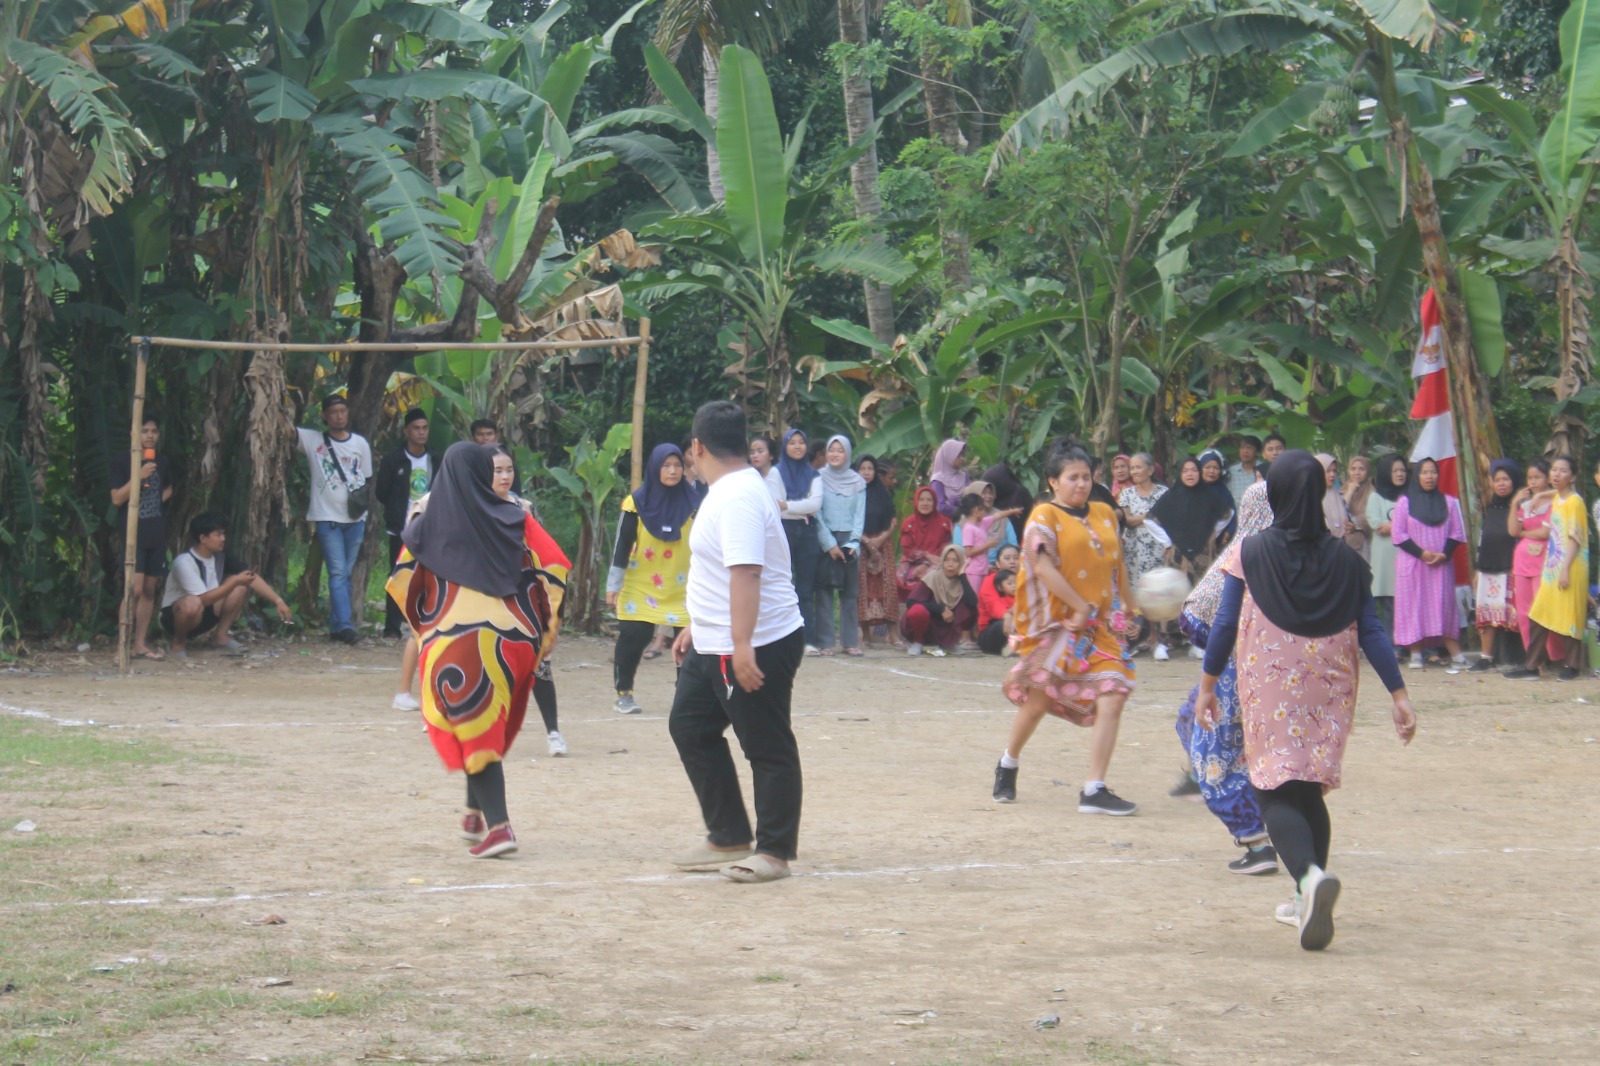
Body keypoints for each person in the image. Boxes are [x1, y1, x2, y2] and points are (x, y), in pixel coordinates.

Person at [1195, 450, 1415, 952]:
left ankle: (1309, 880)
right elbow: (1372, 630)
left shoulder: (1250, 551)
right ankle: (1304, 895)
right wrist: (1399, 695)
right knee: (1309, 786)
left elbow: (1227, 622)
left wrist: (1208, 684)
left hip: (1272, 677)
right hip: (1331, 681)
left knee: (1272, 786)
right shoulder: (1347, 558)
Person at [387, 442, 569, 859]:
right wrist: (547, 624)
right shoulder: (515, 516)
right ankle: (474, 811)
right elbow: (554, 564)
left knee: (473, 724)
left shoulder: (427, 522)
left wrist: (427, 625)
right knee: (483, 725)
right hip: (516, 643)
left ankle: (500, 827)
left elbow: (401, 579)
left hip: (460, 643)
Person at [666, 401, 806, 884]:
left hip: (754, 641)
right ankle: (726, 833)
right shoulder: (726, 491)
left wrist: (742, 645)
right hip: (715, 639)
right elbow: (716, 569)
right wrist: (695, 624)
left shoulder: (740, 496)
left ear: (697, 447)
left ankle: (774, 851)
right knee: (690, 727)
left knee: (766, 746)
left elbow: (747, 572)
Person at [993, 439, 1138, 815]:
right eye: (1072, 478)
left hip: (1101, 627)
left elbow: (1115, 564)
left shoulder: (1106, 513)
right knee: (1038, 702)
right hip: (1056, 625)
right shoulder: (1044, 516)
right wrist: (1078, 605)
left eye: (1086, 477)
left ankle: (1094, 789)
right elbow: (1041, 567)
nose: (1081, 484)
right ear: (1053, 482)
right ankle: (1008, 763)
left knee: (1113, 693)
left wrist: (1130, 605)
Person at [1172, 479, 1278, 874]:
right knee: (1189, 721)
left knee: (1216, 755)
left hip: (1237, 676)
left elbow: (1197, 619)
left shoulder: (1244, 552)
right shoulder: (1308, 552)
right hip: (1289, 678)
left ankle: (1257, 840)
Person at [607, 443, 697, 714]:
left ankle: (686, 696)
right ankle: (624, 693)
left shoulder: (695, 502)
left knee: (690, 644)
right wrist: (613, 585)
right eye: (666, 466)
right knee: (634, 637)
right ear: (654, 468)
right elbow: (622, 546)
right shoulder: (635, 503)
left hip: (683, 585)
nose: (672, 471)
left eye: (677, 466)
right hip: (641, 583)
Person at [161, 511, 293, 659]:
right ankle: (177, 645)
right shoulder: (184, 562)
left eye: (223, 534)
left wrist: (278, 601)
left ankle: (221, 637)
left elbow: (251, 577)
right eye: (218, 535)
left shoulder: (221, 556)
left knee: (240, 587)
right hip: (177, 618)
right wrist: (234, 581)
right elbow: (203, 599)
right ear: (203, 538)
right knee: (193, 602)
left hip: (206, 613)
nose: (223, 539)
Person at [296, 393, 372, 644]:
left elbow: (366, 479)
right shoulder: (312, 440)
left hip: (355, 518)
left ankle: (338, 625)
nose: (339, 416)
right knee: (338, 572)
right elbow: (286, 430)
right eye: (333, 412)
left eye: (342, 411)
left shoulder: (360, 443)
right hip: (327, 517)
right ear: (325, 416)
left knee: (345, 574)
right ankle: (346, 626)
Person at [1506, 456, 1589, 681]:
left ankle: (1572, 666)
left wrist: (1565, 570)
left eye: (1563, 471)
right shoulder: (1559, 499)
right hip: (1553, 565)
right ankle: (1532, 666)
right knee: (1539, 613)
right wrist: (1542, 494)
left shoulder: (1575, 502)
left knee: (1570, 614)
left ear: (1572, 477)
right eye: (1554, 470)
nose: (1556, 474)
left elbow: (1575, 537)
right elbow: (1558, 495)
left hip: (1570, 566)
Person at [1390, 457, 1467, 670]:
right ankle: (1415, 653)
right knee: (1414, 607)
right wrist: (1422, 553)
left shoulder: (1449, 503)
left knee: (1443, 608)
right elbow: (1398, 535)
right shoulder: (1405, 502)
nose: (1429, 476)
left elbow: (1457, 533)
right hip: (1413, 566)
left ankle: (1457, 654)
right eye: (1424, 472)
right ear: (1417, 476)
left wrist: (1444, 554)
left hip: (1440, 566)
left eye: (1433, 472)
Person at [109, 414, 175, 660]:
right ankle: (121, 646)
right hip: (132, 534)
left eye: (153, 431)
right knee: (133, 589)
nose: (149, 435)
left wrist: (158, 499)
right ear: (134, 433)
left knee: (149, 588)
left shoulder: (163, 461)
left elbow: (168, 486)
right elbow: (116, 498)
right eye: (144, 430)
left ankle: (139, 644)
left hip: (155, 532)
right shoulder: (123, 460)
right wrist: (139, 476)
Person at [375, 408, 438, 639]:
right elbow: (381, 492)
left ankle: (426, 624)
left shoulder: (435, 459)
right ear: (406, 432)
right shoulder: (393, 460)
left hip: (430, 530)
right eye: (416, 428)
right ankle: (392, 627)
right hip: (400, 529)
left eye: (424, 428)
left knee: (428, 577)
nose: (421, 433)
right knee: (398, 576)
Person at [814, 434, 867, 657]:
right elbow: (816, 513)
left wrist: (853, 542)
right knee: (824, 593)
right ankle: (826, 642)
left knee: (850, 592)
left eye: (840, 450)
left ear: (847, 454)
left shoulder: (858, 481)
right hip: (825, 540)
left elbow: (859, 516)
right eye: (831, 450)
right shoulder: (818, 478)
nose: (835, 454)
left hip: (850, 542)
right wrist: (829, 544)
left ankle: (849, 642)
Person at [1468, 459, 1522, 671]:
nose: (1501, 484)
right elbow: (1484, 540)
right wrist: (1478, 570)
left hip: (1511, 569)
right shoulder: (1491, 507)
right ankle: (1486, 658)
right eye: (1497, 479)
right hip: (1488, 569)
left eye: (1506, 479)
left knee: (1514, 614)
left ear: (1514, 480)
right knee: (1486, 612)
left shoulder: (1521, 507)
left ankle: (1524, 659)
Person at [1118, 453, 1170, 658]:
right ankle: (1144, 636)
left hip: (1158, 547)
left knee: (1157, 592)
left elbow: (1165, 519)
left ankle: (1159, 637)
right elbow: (1128, 521)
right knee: (1138, 592)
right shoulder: (1126, 494)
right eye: (1132, 468)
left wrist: (1145, 518)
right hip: (1134, 549)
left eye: (1139, 467)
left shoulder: (1163, 492)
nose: (1134, 471)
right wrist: (1149, 516)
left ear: (1150, 469)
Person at [776, 429, 823, 651]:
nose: (797, 446)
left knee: (806, 589)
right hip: (783, 531)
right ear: (785, 446)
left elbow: (815, 505)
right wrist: (799, 509)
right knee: (782, 585)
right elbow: (777, 507)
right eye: (792, 442)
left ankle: (808, 639)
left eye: (801, 442)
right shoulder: (776, 473)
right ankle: (780, 639)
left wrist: (789, 506)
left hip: (808, 533)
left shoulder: (814, 475)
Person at [1150, 457, 1232, 578]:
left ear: (1199, 472)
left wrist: (1212, 532)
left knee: (1202, 591)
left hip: (1204, 554)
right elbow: (1149, 520)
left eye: (1194, 470)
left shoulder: (1208, 495)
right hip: (1177, 553)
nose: (1190, 474)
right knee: (1178, 592)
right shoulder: (1172, 496)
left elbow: (1228, 514)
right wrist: (1166, 542)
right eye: (1185, 471)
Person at [1508, 460, 1553, 657]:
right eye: (1530, 477)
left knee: (1543, 610)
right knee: (1525, 613)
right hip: (1522, 562)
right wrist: (1513, 503)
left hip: (1544, 562)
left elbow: (1544, 533)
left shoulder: (1554, 502)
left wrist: (1524, 532)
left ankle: (1553, 654)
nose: (1533, 481)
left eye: (1538, 477)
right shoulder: (1525, 506)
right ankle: (1535, 660)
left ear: (1547, 479)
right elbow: (1512, 531)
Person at [901, 544, 978, 657]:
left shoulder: (961, 582)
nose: (950, 564)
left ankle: (949, 643)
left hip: (945, 626)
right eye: (946, 560)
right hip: (926, 626)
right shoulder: (933, 577)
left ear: (961, 563)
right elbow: (910, 602)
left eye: (955, 561)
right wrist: (941, 608)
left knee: (970, 608)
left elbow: (972, 603)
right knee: (917, 610)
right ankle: (918, 642)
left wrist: (962, 575)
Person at [856, 454, 899, 647]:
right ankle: (866, 635)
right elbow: (849, 520)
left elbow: (892, 520)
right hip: (861, 546)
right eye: (862, 469)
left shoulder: (883, 493)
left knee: (888, 589)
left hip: (884, 545)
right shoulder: (852, 493)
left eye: (870, 469)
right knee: (863, 591)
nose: (866, 473)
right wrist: (866, 541)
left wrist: (880, 539)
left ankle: (893, 634)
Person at [1367, 455, 1408, 634]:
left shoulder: (1412, 496)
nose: (1400, 474)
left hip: (1408, 557)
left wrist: (1392, 525)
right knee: (1389, 604)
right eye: (1395, 471)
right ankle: (1394, 646)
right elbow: (1377, 525)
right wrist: (1404, 525)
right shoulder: (1376, 498)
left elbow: (1417, 522)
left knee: (1408, 601)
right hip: (1385, 560)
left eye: (1402, 470)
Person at [896, 485, 953, 607]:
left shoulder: (944, 523)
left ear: (934, 502)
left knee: (931, 577)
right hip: (911, 561)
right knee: (897, 578)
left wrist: (926, 564)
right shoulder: (908, 523)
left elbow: (943, 549)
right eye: (921, 499)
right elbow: (908, 550)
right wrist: (926, 556)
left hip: (935, 563)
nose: (925, 503)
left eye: (929, 499)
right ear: (916, 501)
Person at [982, 460, 1035, 541]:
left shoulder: (1020, 493)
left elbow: (1031, 515)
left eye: (990, 490)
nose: (988, 495)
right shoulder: (992, 501)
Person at [1199, 449, 1237, 544]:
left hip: (1216, 542)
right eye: (1207, 467)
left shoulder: (1223, 491)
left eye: (1216, 468)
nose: (1211, 471)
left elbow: (1232, 514)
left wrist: (1228, 532)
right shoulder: (1192, 488)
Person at [977, 567, 1017, 656]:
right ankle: (1008, 647)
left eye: (1015, 558)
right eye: (1009, 583)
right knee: (1004, 624)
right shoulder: (990, 582)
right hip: (991, 632)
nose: (1012, 562)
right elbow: (993, 606)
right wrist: (1009, 614)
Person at [929, 438, 970, 520]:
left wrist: (954, 503)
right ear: (949, 455)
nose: (962, 459)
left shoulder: (964, 476)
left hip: (966, 523)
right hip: (945, 524)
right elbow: (940, 507)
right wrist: (959, 510)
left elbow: (970, 500)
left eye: (962, 455)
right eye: (958, 455)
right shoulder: (938, 480)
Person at [1341, 455, 1373, 560]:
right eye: (1353, 469)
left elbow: (1371, 516)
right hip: (1342, 542)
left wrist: (1354, 523)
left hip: (1363, 543)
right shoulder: (1343, 489)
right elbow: (1339, 510)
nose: (1357, 472)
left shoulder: (1371, 492)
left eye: (1361, 469)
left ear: (1367, 472)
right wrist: (1350, 491)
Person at [1316, 454, 1352, 541]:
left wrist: (1350, 527)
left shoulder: (1337, 496)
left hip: (1339, 544)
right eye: (1328, 471)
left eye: (1334, 471)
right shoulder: (1313, 495)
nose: (1332, 475)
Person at [749, 435, 784, 503]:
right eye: (752, 452)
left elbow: (776, 503)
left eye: (760, 451)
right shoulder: (752, 475)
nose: (755, 455)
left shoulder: (773, 473)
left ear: (771, 455)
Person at [1226, 436, 1261, 501]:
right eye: (1242, 448)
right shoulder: (1232, 471)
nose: (1245, 451)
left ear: (1257, 451)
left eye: (1249, 448)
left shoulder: (1264, 469)